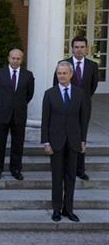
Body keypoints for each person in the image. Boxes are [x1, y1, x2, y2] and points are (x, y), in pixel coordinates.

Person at [42, 61, 86, 222]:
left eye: (64, 73)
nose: (61, 76)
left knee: (70, 178)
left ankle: (68, 209)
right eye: (59, 73)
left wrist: (83, 140)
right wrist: (45, 142)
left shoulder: (80, 93)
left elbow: (83, 119)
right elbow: (45, 120)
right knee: (57, 177)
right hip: (55, 142)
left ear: (71, 74)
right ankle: (56, 209)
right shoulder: (49, 93)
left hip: (74, 141)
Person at [53, 36, 98, 181]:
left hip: (84, 107)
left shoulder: (92, 66)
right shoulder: (63, 64)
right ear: (72, 48)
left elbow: (93, 86)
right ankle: (65, 166)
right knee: (65, 133)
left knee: (81, 135)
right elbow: (56, 85)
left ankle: (80, 169)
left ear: (86, 49)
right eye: (76, 47)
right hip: (66, 106)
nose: (79, 50)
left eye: (82, 47)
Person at [0, 49, 35, 180]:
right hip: (1, 114)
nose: (15, 61)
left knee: (18, 144)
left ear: (22, 59)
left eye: (18, 59)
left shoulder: (28, 75)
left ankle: (16, 169)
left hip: (19, 114)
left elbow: (29, 95)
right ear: (8, 58)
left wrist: (18, 105)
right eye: (13, 58)